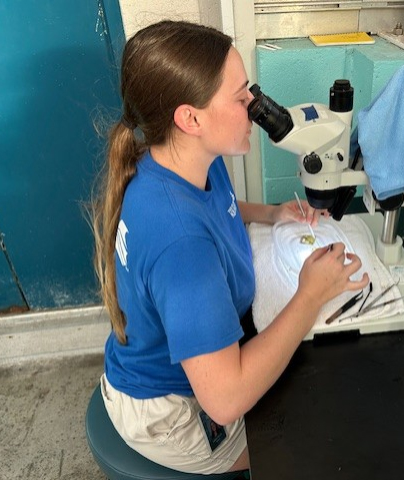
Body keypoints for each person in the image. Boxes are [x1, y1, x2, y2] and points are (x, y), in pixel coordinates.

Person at [90, 20, 369, 475]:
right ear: (191, 118)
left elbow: (219, 206)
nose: (255, 108)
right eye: (241, 99)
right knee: (311, 446)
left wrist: (272, 213)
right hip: (173, 414)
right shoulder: (180, 245)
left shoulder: (179, 161)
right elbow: (225, 401)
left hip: (160, 369)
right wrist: (311, 295)